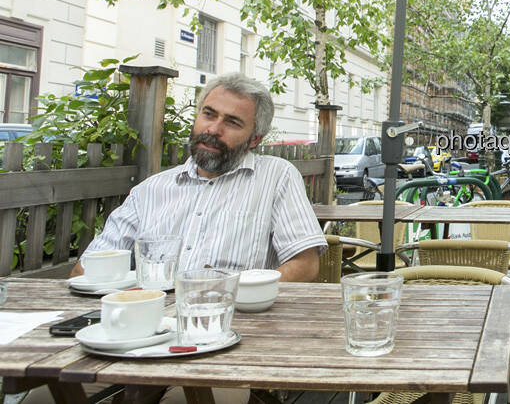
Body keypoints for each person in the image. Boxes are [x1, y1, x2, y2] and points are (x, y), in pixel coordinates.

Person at [71, 72, 326, 281]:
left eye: (233, 123)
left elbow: (305, 264)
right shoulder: (150, 191)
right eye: (208, 114)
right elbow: (86, 269)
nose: (213, 129)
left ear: (255, 139)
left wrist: (236, 296)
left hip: (239, 322)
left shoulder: (275, 178)